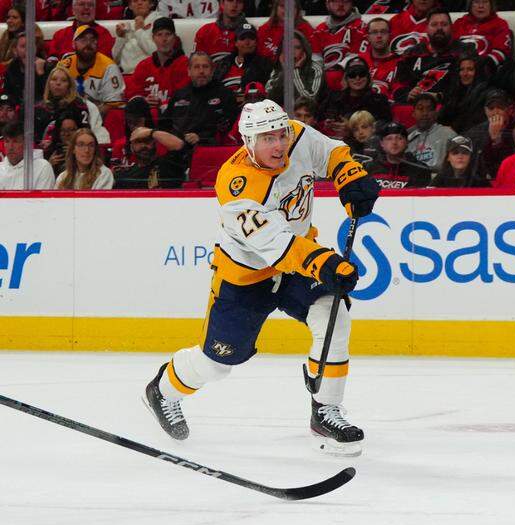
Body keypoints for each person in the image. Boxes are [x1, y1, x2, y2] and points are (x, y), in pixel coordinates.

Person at [141, 99, 382, 457]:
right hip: (247, 275)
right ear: (247, 142)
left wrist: (349, 176)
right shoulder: (238, 187)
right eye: (267, 138)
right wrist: (325, 264)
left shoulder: (297, 137)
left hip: (296, 265)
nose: (279, 144)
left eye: (280, 134)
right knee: (217, 363)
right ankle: (163, 390)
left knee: (333, 315)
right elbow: (277, 245)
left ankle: (325, 410)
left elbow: (331, 153)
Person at [160, 51, 240, 146]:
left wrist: (202, 138)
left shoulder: (225, 95)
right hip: (179, 149)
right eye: (196, 67)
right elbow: (164, 125)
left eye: (205, 67)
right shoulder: (179, 95)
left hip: (210, 148)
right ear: (189, 71)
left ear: (212, 70)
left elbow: (229, 129)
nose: (201, 71)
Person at [392, 8, 471, 104]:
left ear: (451, 27)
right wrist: (408, 94)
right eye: (434, 25)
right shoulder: (410, 54)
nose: (439, 28)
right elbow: (397, 85)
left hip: (451, 106)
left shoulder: (465, 51)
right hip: (415, 107)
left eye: (444, 24)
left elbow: (470, 86)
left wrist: (440, 96)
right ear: (426, 28)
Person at [56, 25, 127, 115]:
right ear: (73, 44)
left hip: (97, 118)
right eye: (83, 40)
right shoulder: (65, 65)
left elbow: (113, 105)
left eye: (92, 40)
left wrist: (90, 116)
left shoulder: (109, 67)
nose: (88, 43)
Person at [316, 56, 392, 139]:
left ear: (368, 77)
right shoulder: (333, 98)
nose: (357, 78)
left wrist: (352, 128)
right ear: (346, 78)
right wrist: (325, 124)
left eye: (362, 73)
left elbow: (384, 127)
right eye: (352, 74)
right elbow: (316, 119)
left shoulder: (379, 101)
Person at [125, 17, 188, 112]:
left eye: (168, 34)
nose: (164, 39)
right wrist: (143, 101)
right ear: (153, 38)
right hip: (146, 119)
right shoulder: (143, 65)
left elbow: (185, 98)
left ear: (174, 38)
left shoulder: (185, 64)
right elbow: (132, 94)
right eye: (159, 35)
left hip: (174, 118)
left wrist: (163, 105)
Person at [36, 65, 110, 144]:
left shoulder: (79, 106)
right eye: (54, 79)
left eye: (63, 80)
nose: (58, 83)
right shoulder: (39, 108)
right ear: (48, 83)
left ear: (69, 85)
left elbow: (84, 134)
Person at [112, 123, 193, 188]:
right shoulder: (125, 174)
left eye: (147, 141)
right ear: (131, 147)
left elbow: (179, 145)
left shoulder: (167, 164)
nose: (144, 146)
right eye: (139, 142)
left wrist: (151, 132)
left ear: (155, 143)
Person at [462, 88, 515, 184]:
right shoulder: (475, 133)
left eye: (500, 107)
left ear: (509, 109)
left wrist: (496, 140)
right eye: (491, 108)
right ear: (485, 111)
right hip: (480, 183)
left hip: (509, 181)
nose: (495, 112)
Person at [312, 0, 368, 89]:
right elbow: (315, 59)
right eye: (336, 1)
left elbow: (358, 58)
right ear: (327, 4)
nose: (341, 5)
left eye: (346, 1)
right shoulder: (319, 30)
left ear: (352, 3)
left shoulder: (361, 28)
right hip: (322, 84)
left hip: (350, 83)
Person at [266, 31, 327, 106]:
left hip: (309, 115)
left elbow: (308, 101)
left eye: (297, 48)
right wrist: (285, 73)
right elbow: (269, 100)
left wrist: (294, 71)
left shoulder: (315, 69)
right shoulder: (278, 68)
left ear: (304, 50)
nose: (292, 52)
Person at [452, 0, 513, 74]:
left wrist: (482, 65)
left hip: (485, 72)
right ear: (470, 5)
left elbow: (502, 52)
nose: (481, 6)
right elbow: (450, 48)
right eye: (476, 2)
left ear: (491, 5)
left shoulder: (500, 24)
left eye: (485, 2)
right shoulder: (459, 23)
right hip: (456, 70)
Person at [214, 23, 273, 98]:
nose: (247, 42)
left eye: (251, 38)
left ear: (256, 42)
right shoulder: (223, 63)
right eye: (242, 38)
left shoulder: (265, 64)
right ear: (235, 43)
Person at [438, 53, 492, 134]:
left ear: (479, 72)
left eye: (470, 69)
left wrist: (453, 129)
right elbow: (443, 115)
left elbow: (473, 120)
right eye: (462, 69)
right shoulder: (455, 91)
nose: (465, 73)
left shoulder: (486, 92)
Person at [371, 121, 432, 189]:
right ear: (382, 144)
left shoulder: (420, 170)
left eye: (399, 138)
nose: (394, 142)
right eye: (389, 139)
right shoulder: (370, 168)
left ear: (407, 142)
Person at [408, 93, 456, 173]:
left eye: (429, 109)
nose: (425, 113)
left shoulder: (448, 134)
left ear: (436, 114)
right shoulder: (407, 136)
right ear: (413, 114)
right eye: (420, 109)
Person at [49, 0, 115, 59]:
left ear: (95, 10)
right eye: (81, 4)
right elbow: (52, 59)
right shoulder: (60, 35)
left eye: (90, 5)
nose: (86, 7)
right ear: (73, 10)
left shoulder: (104, 34)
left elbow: (105, 63)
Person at [0, 120, 55, 189]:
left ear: (27, 143)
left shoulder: (42, 167)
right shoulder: (1, 168)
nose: (10, 147)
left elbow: (42, 199)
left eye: (16, 141)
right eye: (7, 141)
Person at [111, 0, 158, 74]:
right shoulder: (127, 26)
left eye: (144, 0)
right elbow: (115, 59)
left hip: (149, 75)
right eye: (135, 1)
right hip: (125, 76)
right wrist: (121, 38)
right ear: (130, 6)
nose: (139, 3)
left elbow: (157, 53)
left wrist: (139, 31)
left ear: (151, 4)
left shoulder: (160, 22)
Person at [194, 0, 247, 65]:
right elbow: (196, 63)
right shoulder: (205, 31)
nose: (234, 5)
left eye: (239, 1)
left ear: (243, 6)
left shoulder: (249, 34)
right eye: (230, 1)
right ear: (222, 4)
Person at [362, 17, 399, 98]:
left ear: (390, 35)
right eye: (374, 32)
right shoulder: (360, 60)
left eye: (383, 32)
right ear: (368, 37)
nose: (379, 36)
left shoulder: (401, 62)